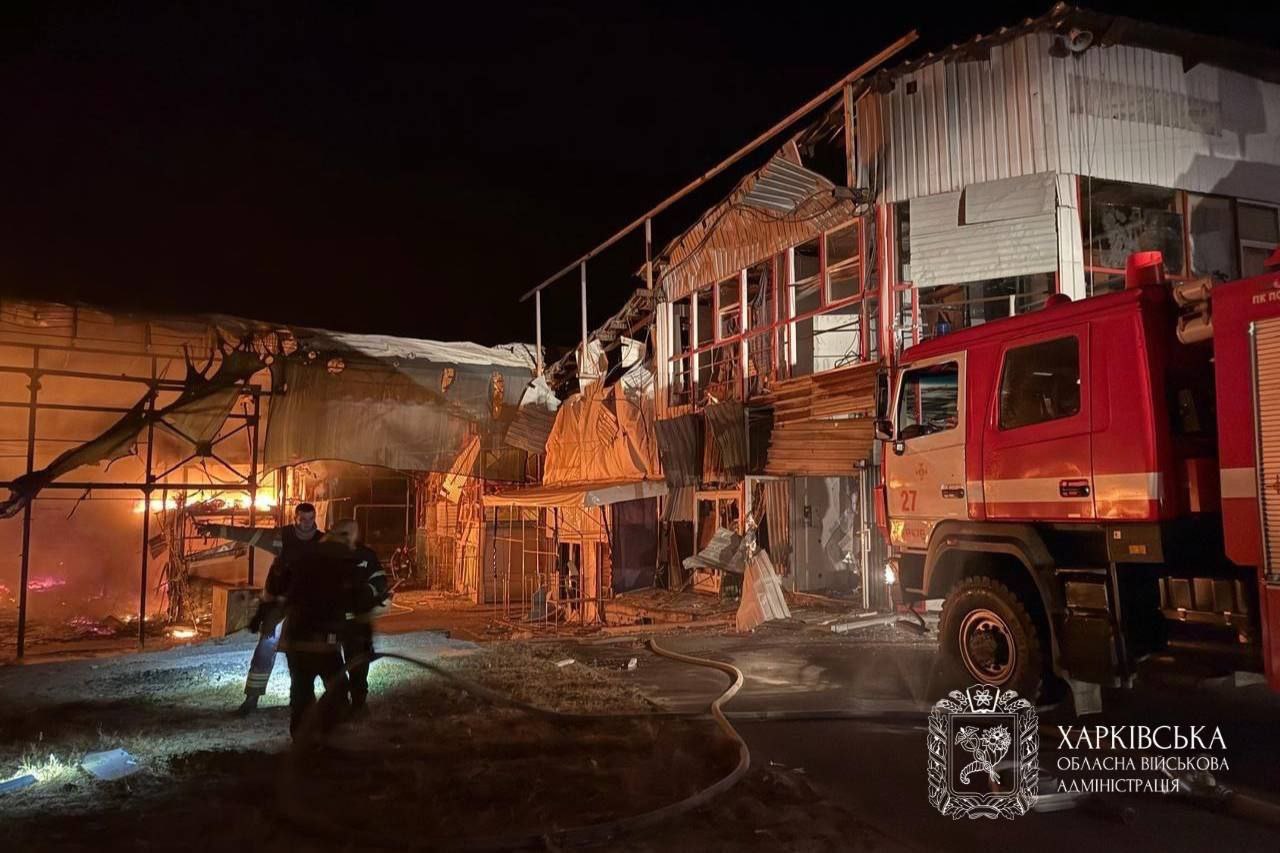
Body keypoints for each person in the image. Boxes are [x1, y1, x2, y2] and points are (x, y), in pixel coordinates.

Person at [278, 518, 362, 740]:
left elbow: (282, 587)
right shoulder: (342, 560)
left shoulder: (305, 556)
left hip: (295, 638)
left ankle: (301, 737)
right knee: (338, 689)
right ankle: (324, 733)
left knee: (301, 689)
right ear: (347, 537)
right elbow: (351, 601)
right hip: (322, 640)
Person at [238, 502, 323, 715]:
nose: (307, 523)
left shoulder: (322, 542)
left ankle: (305, 699)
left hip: (307, 606)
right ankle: (252, 697)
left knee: (306, 652)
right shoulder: (283, 537)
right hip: (280, 603)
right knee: (266, 647)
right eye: (302, 519)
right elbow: (249, 535)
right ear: (295, 519)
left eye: (310, 519)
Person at [343, 525, 390, 715]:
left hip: (358, 621)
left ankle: (358, 703)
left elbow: (380, 581)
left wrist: (367, 593)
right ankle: (338, 702)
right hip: (333, 621)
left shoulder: (366, 555)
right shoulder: (329, 556)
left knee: (359, 664)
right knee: (330, 665)